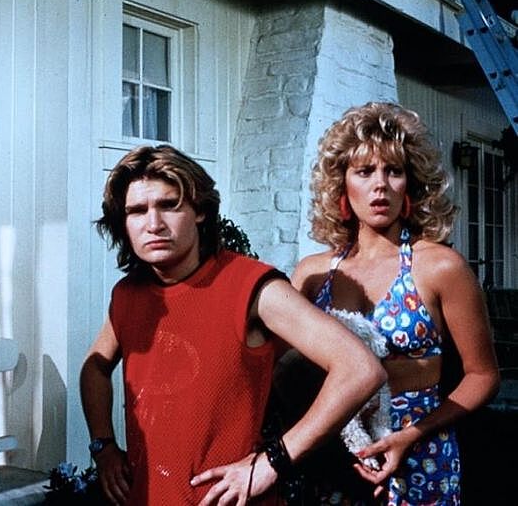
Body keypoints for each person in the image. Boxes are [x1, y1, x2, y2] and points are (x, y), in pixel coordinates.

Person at [79, 144, 386, 505]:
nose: (154, 224)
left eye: (169, 205)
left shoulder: (252, 286)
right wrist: (103, 446)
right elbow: (95, 367)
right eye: (137, 211)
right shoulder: (128, 294)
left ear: (199, 211)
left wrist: (274, 461)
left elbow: (360, 369)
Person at [292, 102, 500, 504]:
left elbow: (483, 376)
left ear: (411, 183)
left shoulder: (440, 267)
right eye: (364, 171)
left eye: (394, 171)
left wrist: (413, 434)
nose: (380, 185)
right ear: (341, 184)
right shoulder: (312, 273)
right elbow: (282, 371)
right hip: (333, 455)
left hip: (420, 454)